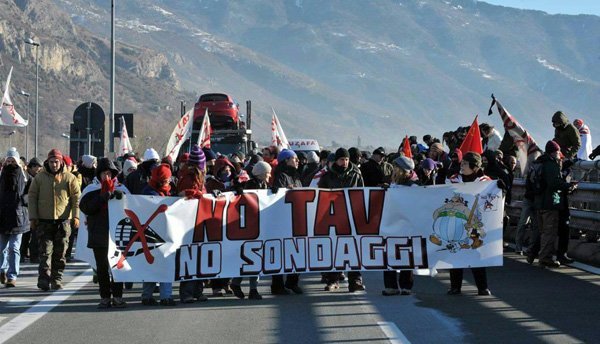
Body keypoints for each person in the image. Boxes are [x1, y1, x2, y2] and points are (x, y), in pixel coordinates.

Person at [29, 149, 81, 291]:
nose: (54, 164)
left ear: (61, 162)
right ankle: (44, 280)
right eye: (51, 162)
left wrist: (76, 216)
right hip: (44, 222)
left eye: (56, 162)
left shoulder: (69, 178)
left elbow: (77, 198)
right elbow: (32, 197)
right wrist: (33, 217)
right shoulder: (40, 177)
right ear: (48, 162)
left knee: (60, 253)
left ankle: (56, 279)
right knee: (45, 253)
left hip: (63, 222)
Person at [79, 158, 127, 308]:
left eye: (109, 173)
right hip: (98, 234)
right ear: (98, 174)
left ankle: (118, 296)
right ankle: (105, 296)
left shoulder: (122, 189)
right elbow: (86, 208)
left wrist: (122, 198)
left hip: (117, 236)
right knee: (102, 268)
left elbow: (132, 210)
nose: (106, 176)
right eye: (104, 173)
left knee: (118, 267)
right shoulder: (91, 190)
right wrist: (102, 197)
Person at [319, 148, 366, 293]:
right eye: (341, 159)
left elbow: (362, 193)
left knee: (354, 248)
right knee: (334, 247)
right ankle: (333, 279)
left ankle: (355, 280)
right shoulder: (327, 176)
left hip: (351, 215)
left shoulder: (356, 174)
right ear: (336, 160)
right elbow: (320, 195)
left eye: (346, 159)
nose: (344, 162)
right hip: (333, 216)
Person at [446, 152, 492, 296]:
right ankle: (455, 286)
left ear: (475, 167)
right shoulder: (453, 180)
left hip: (476, 223)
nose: (462, 166)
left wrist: (500, 188)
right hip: (456, 220)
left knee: (476, 252)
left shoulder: (485, 181)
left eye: (465, 164)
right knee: (455, 252)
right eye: (462, 163)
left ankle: (482, 287)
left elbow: (493, 198)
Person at [530, 141, 577, 268]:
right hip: (550, 202)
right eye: (558, 151)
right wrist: (568, 186)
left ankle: (535, 253)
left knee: (542, 231)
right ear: (554, 152)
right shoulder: (551, 164)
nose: (559, 154)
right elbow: (554, 183)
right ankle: (545, 258)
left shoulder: (539, 162)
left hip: (539, 202)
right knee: (549, 232)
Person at [230, 161, 272, 300]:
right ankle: (245, 286)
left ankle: (245, 286)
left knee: (254, 259)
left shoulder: (264, 186)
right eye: (268, 173)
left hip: (259, 226)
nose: (270, 175)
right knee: (251, 258)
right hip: (249, 227)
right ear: (261, 174)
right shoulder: (251, 186)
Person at [176, 145, 209, 303]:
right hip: (188, 223)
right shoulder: (188, 178)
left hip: (199, 221)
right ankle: (187, 292)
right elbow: (181, 196)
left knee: (199, 257)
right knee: (190, 257)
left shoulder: (199, 178)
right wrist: (196, 194)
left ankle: (198, 290)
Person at [382, 156, 419, 296]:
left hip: (406, 224)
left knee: (407, 254)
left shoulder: (414, 186)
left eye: (397, 168)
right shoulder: (392, 183)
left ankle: (406, 285)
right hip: (391, 223)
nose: (394, 170)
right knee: (388, 253)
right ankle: (391, 286)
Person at [141, 163, 176, 306]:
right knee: (160, 266)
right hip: (154, 235)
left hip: (162, 235)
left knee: (156, 266)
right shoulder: (150, 194)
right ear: (160, 180)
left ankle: (150, 295)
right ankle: (163, 296)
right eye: (167, 180)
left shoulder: (162, 192)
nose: (169, 182)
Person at [270, 149, 303, 295]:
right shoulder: (281, 176)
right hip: (282, 222)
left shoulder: (296, 177)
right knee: (280, 253)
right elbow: (276, 196)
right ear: (285, 160)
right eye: (294, 158)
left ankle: (292, 282)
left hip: (296, 220)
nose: (297, 161)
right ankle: (277, 285)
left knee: (297, 252)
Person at [0, 148, 29, 288]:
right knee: (2, 248)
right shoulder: (2, 175)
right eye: (8, 160)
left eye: (13, 160)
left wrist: (23, 200)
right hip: (3, 216)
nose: (10, 163)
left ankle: (12, 275)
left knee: (14, 248)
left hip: (18, 216)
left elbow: (31, 193)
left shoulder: (24, 176)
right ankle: (2, 270)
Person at [20, 157, 43, 263]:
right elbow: (25, 196)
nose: (39, 169)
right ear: (32, 167)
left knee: (27, 234)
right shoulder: (28, 178)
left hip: (27, 209)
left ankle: (23, 254)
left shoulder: (30, 177)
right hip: (26, 209)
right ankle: (26, 254)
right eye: (38, 167)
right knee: (29, 234)